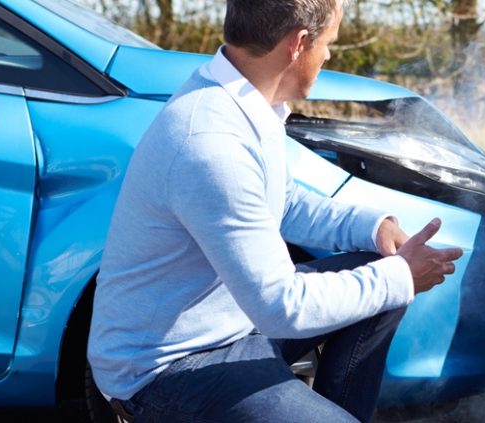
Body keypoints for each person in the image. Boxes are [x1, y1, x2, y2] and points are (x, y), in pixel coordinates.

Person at [86, 0, 464, 422]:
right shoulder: (211, 141)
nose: (329, 56)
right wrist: (401, 276)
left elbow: (280, 204)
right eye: (329, 43)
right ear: (299, 43)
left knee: (382, 267)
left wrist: (373, 228)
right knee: (391, 279)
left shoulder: (241, 101)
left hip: (228, 326)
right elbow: (281, 306)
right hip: (165, 371)